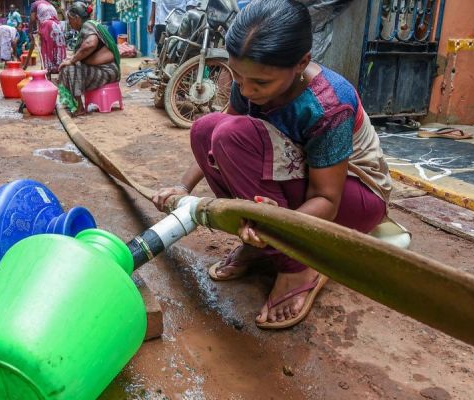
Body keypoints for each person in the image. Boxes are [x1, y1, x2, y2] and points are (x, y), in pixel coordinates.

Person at [152, 0, 392, 330]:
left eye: (260, 84)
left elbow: (327, 200)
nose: (247, 90)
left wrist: (270, 223)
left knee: (232, 135)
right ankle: (266, 247)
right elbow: (214, 138)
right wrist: (182, 187)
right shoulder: (249, 80)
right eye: (238, 76)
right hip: (297, 185)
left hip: (353, 199)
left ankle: (297, 267)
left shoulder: (329, 104)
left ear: (301, 63)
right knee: (206, 128)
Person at [58, 1, 121, 116]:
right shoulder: (91, 25)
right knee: (68, 66)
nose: (69, 23)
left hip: (107, 71)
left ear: (77, 18)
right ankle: (71, 103)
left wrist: (72, 60)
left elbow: (90, 44)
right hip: (106, 70)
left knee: (71, 68)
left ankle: (79, 107)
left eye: (70, 19)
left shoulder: (87, 25)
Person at [23, 0, 67, 73]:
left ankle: (46, 73)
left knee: (45, 50)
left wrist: (30, 32)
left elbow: (32, 19)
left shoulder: (35, 4)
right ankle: (59, 70)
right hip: (58, 26)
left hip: (47, 25)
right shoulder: (49, 4)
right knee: (57, 49)